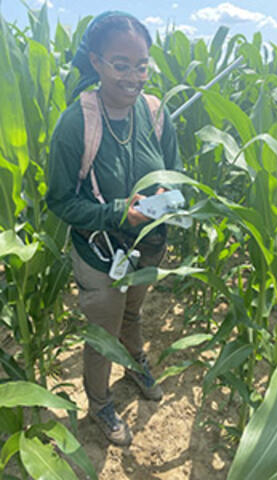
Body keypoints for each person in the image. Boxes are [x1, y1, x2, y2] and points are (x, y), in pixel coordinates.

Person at [46, 11, 182, 447]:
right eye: (121, 64)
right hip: (100, 255)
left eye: (141, 65)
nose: (134, 76)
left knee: (132, 315)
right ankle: (101, 401)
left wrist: (166, 194)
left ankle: (136, 362)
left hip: (147, 249)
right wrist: (119, 213)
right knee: (102, 330)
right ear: (97, 62)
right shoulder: (77, 123)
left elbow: (176, 173)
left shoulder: (156, 112)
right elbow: (61, 201)